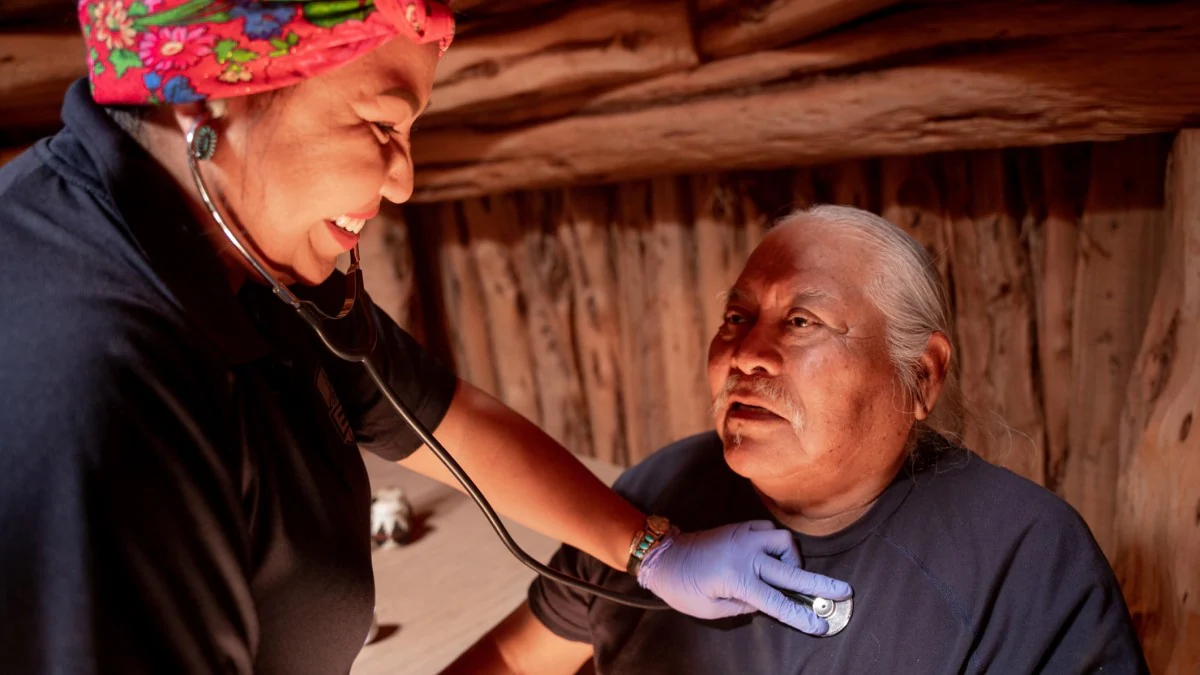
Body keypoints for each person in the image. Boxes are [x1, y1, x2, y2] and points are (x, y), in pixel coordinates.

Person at [0, 2, 849, 673]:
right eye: (379, 127)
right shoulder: (94, 391)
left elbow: (438, 415)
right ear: (205, 97)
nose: (400, 182)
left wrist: (651, 549)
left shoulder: (257, 258)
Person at [441, 205, 1149, 675]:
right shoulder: (657, 506)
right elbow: (508, 659)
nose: (748, 352)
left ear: (921, 375)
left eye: (803, 321)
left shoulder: (1021, 558)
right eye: (735, 316)